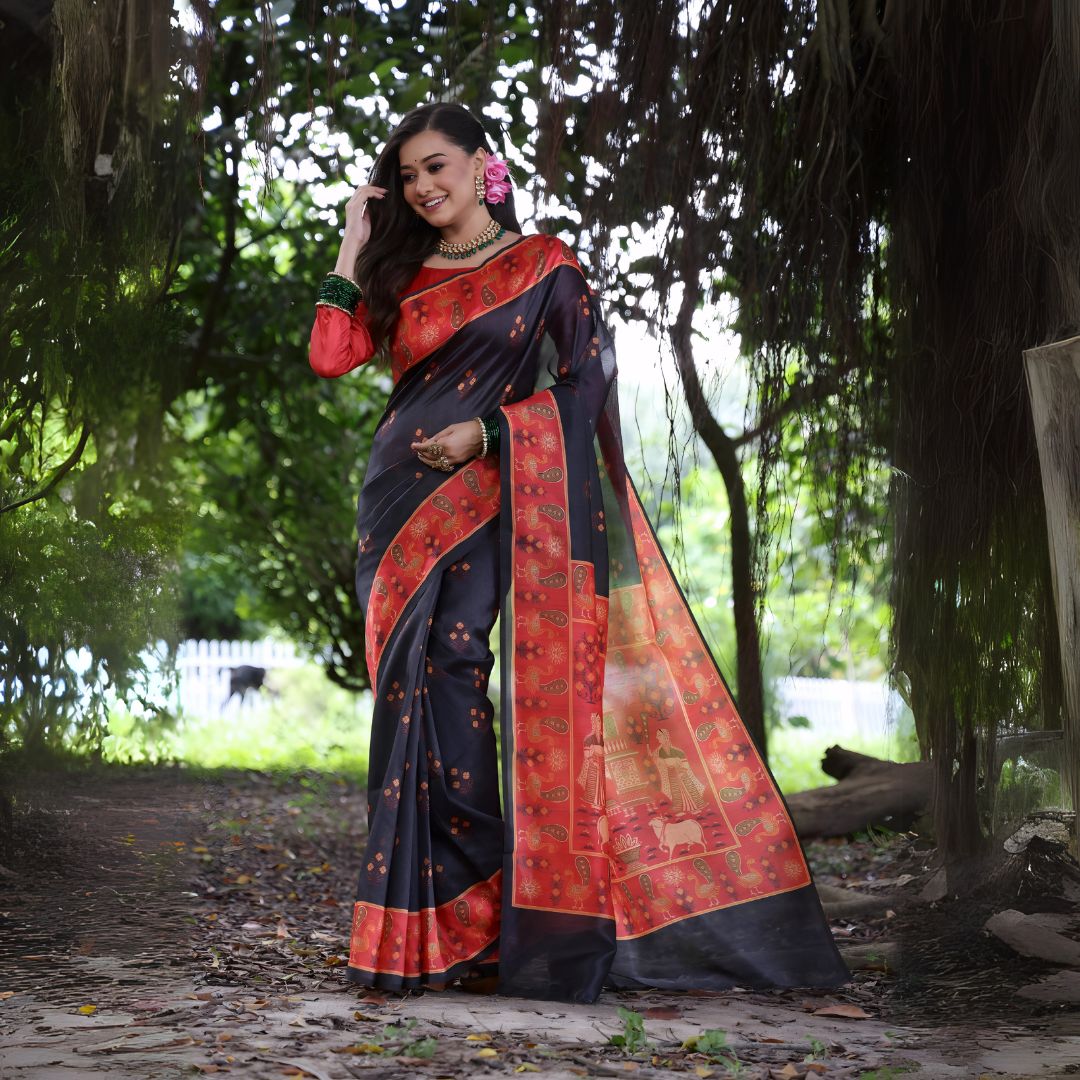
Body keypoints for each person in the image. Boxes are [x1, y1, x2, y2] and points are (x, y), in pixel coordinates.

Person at [308, 101, 850, 1003]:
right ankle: (444, 926)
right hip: (396, 506)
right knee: (411, 698)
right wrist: (351, 243)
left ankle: (487, 913)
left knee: (456, 667)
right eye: (406, 176)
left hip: (490, 493)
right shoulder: (398, 269)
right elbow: (332, 356)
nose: (422, 186)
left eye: (437, 166)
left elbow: (587, 378)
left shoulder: (544, 265)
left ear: (483, 164)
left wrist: (489, 433)